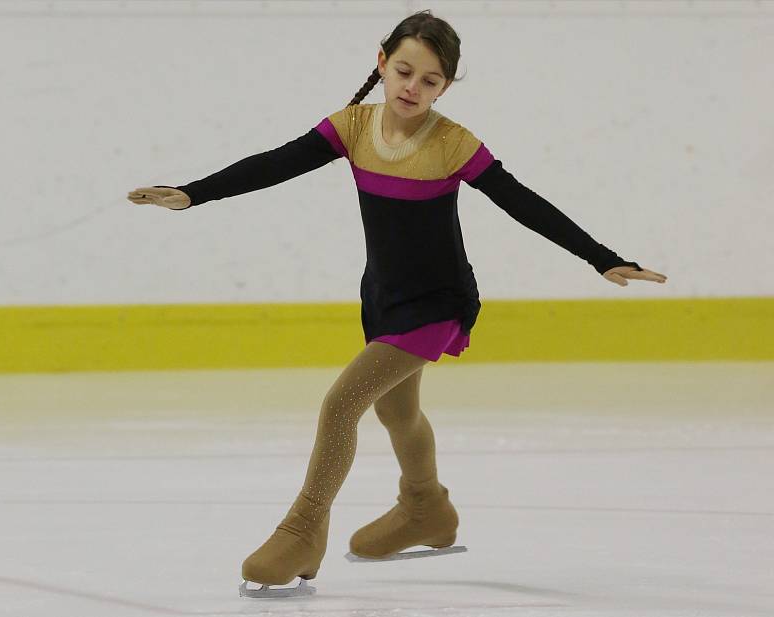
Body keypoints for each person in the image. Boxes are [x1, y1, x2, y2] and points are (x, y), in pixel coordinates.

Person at [127, 9, 667, 599]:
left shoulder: (454, 143)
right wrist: (193, 194)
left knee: (340, 406)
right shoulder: (352, 128)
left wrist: (599, 256)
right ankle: (426, 508)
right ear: (381, 63)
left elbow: (521, 201)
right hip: (381, 295)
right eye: (404, 71)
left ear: (446, 86)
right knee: (396, 413)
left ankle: (304, 532)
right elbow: (276, 163)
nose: (413, 88)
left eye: (430, 80)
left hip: (437, 302)